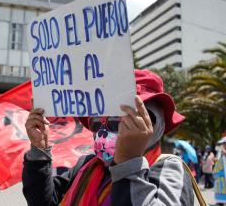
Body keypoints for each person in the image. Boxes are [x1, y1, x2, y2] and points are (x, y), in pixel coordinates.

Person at [22, 69, 194, 205]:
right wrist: (39, 150)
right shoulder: (87, 165)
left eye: (115, 123)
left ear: (151, 124)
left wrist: (128, 161)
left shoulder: (169, 168)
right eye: (96, 124)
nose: (102, 133)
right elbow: (43, 201)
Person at [214, 137, 226, 205]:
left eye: (224, 143)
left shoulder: (222, 151)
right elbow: (217, 160)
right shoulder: (220, 152)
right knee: (220, 192)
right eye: (223, 143)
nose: (224, 145)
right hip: (220, 175)